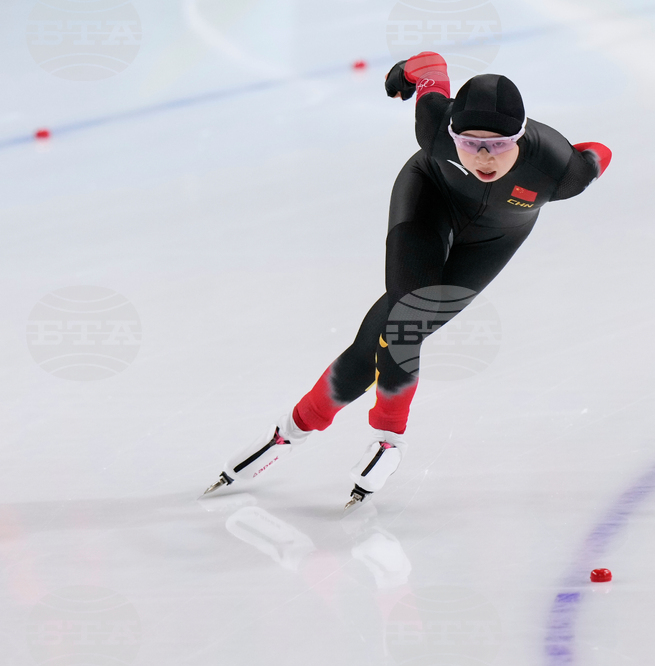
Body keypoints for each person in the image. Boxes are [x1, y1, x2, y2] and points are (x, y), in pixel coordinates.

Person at [203, 51, 612, 507]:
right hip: (428, 199)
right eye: (469, 142)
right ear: (451, 129)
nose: (482, 157)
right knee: (407, 314)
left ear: (520, 137)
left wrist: (590, 157)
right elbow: (432, 70)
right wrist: (408, 72)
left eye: (498, 145)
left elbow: (598, 154)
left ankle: (294, 428)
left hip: (496, 237)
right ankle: (385, 440)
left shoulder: (560, 171)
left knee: (395, 330)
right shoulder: (435, 125)